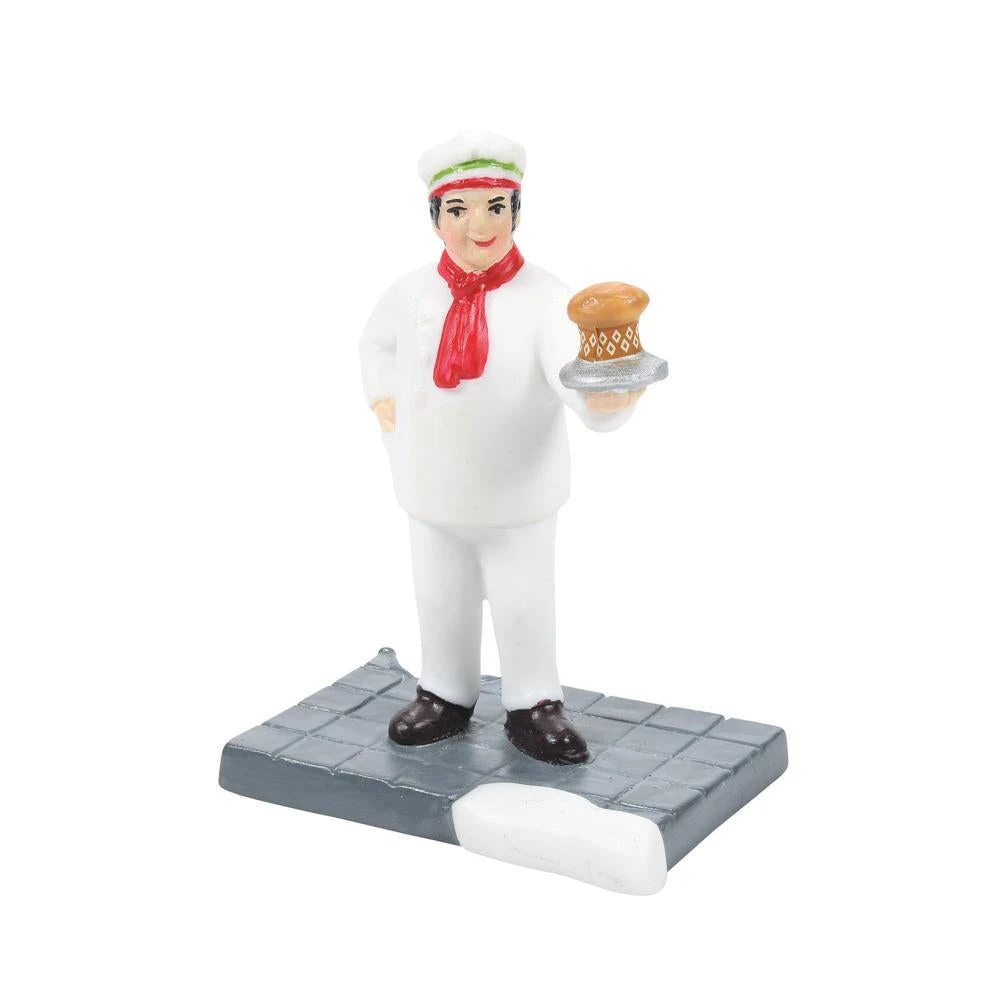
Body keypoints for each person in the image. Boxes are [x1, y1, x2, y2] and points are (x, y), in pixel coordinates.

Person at [358, 130, 643, 764]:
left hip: (518, 497)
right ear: (435, 218)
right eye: (458, 210)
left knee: (523, 604)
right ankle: (444, 690)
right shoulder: (410, 294)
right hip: (432, 492)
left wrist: (604, 398)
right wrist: (382, 397)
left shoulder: (547, 299)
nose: (478, 226)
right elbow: (375, 344)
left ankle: (533, 700)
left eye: (494, 207)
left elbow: (572, 370)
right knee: (440, 600)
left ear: (516, 211)